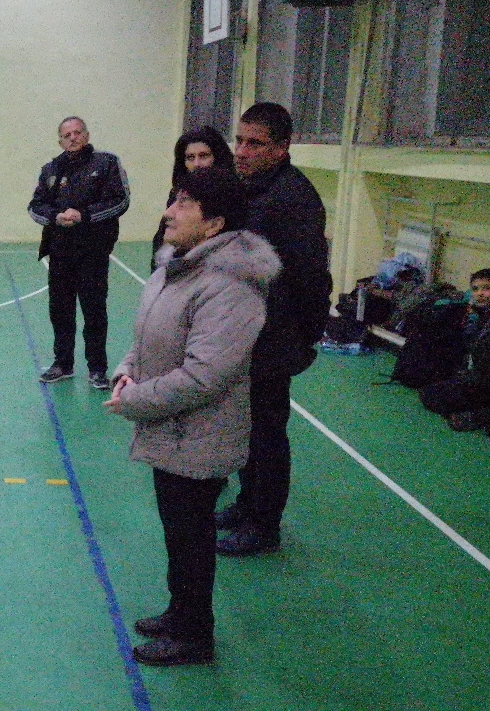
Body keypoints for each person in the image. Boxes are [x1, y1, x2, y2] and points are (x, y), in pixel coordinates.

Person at [105, 167, 280, 666]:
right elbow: (149, 337)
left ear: (214, 223)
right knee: (178, 531)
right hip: (171, 427)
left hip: (199, 433)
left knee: (190, 537)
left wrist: (135, 399)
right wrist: (127, 371)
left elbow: (207, 375)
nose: (169, 212)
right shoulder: (177, 267)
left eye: (184, 204)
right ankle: (180, 613)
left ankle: (193, 635)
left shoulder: (230, 287)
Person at [215, 102, 332, 557]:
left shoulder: (293, 199)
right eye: (239, 140)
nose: (241, 151)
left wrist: (303, 337)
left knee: (266, 435)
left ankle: (264, 527)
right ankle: (247, 504)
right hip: (244, 334)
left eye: (255, 144)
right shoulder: (251, 188)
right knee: (246, 428)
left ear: (282, 148)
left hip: (273, 338)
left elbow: (310, 276)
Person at [29, 116, 130, 390]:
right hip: (60, 252)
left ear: (86, 135)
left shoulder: (106, 163)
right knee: (60, 311)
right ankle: (62, 364)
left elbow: (120, 201)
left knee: (94, 310)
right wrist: (56, 216)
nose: (73, 138)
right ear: (60, 141)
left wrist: (83, 215)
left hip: (93, 252)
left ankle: (97, 368)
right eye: (67, 135)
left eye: (77, 132)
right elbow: (35, 206)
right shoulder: (50, 169)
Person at [418, 269, 490, 431]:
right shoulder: (479, 315)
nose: (480, 294)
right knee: (429, 391)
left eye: (487, 288)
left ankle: (483, 414)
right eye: (475, 289)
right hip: (475, 377)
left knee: (433, 396)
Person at [150, 127, 234, 272]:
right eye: (190, 158)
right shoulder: (176, 194)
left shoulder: (232, 196)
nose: (197, 164)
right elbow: (161, 239)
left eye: (204, 156)